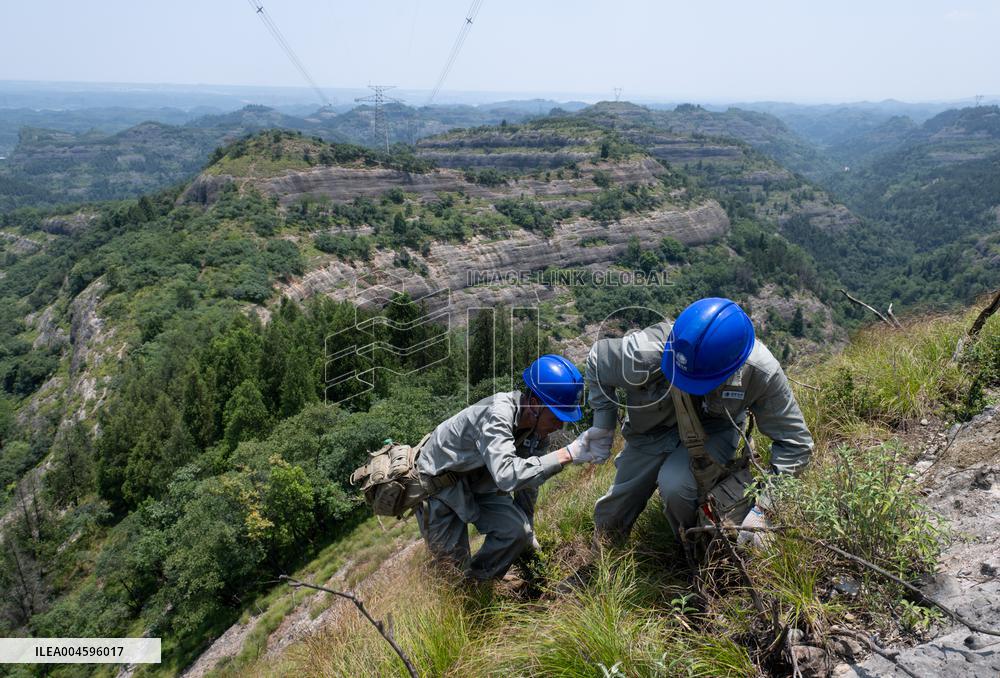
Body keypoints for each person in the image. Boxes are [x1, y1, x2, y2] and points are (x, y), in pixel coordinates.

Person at [581, 297, 814, 544]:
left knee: (676, 487)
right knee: (612, 514)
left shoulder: (759, 370)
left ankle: (698, 549)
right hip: (651, 430)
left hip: (713, 429)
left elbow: (796, 444)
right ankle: (604, 556)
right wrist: (603, 425)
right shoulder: (643, 353)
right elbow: (597, 361)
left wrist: (764, 509)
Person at [415, 354, 605, 582]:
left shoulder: (537, 432)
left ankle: (477, 584)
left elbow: (527, 486)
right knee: (451, 573)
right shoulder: (497, 414)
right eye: (556, 416)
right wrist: (568, 454)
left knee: (516, 533)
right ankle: (459, 592)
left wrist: (527, 537)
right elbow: (506, 476)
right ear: (535, 405)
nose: (560, 426)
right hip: (439, 487)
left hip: (480, 482)